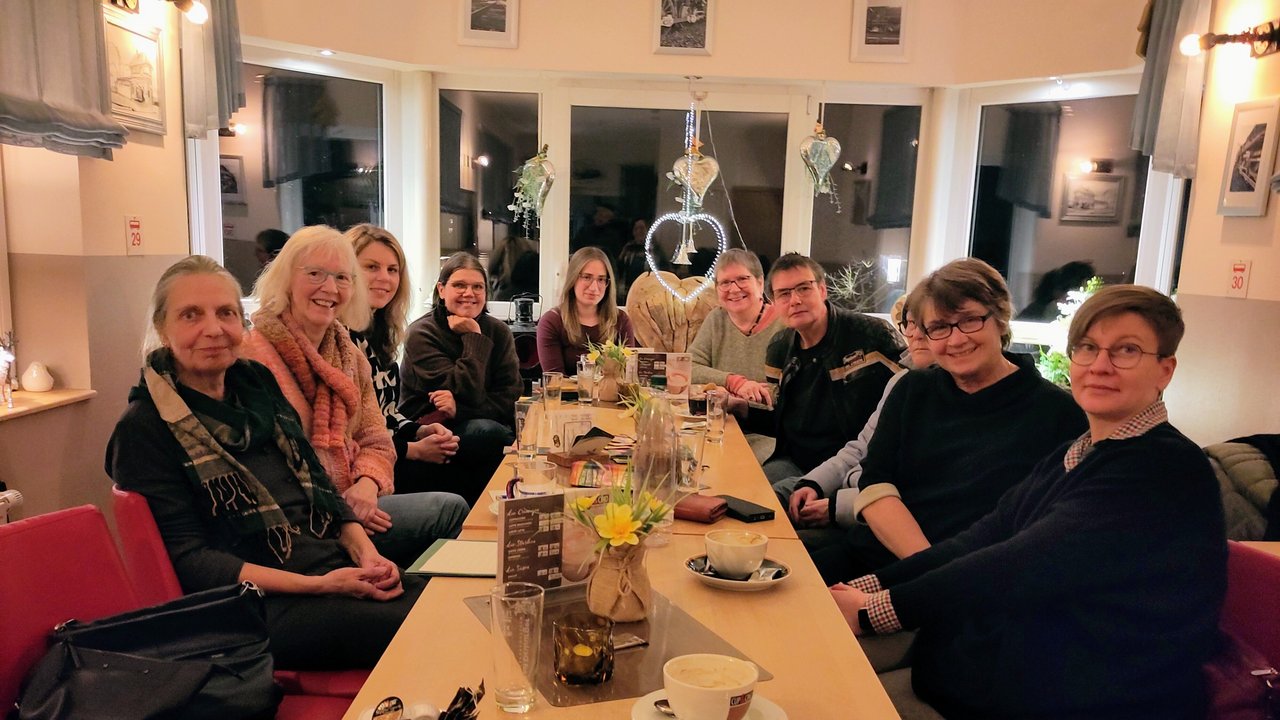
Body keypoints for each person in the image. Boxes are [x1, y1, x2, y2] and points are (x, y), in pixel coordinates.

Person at [831, 285, 1226, 720]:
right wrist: (864, 590)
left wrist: (873, 613)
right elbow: (982, 537)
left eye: (1126, 350)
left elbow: (1019, 562)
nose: (1100, 366)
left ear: (1165, 370)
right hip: (1022, 665)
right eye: (1088, 348)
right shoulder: (1079, 452)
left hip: (1095, 695)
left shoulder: (1162, 466)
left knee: (835, 700)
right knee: (825, 662)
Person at [106, 255, 423, 670]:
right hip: (248, 609)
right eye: (191, 315)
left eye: (225, 313)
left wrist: (365, 553)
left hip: (325, 566)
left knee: (456, 600)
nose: (213, 329)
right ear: (163, 329)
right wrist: (320, 585)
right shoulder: (144, 426)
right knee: (437, 625)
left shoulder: (255, 383)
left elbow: (318, 481)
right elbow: (192, 562)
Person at [810, 258, 1087, 585]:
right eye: (940, 327)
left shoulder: (1059, 414)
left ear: (1000, 319)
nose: (955, 340)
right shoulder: (912, 389)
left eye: (970, 320)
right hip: (878, 557)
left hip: (972, 582)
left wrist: (937, 580)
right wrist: (928, 567)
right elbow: (875, 486)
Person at [242, 226, 467, 566]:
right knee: (450, 507)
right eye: (315, 274)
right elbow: (271, 473)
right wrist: (346, 514)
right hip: (303, 522)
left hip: (355, 497)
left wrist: (367, 486)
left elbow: (376, 438)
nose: (330, 288)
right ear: (285, 278)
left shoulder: (349, 354)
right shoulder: (253, 358)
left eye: (341, 278)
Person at [780, 290, 935, 548]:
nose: (915, 334)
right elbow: (860, 447)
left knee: (781, 546)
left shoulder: (937, 395)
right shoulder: (902, 381)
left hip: (869, 519)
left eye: (928, 325)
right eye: (909, 323)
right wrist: (814, 484)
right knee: (767, 502)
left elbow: (913, 490)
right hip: (845, 491)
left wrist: (835, 508)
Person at [348, 224, 486, 500]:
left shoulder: (380, 334)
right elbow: (352, 434)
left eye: (392, 270)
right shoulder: (344, 339)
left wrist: (419, 430)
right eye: (372, 267)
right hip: (368, 468)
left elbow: (387, 414)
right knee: (472, 465)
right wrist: (413, 449)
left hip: (395, 445)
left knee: (484, 451)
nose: (384, 278)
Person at [760, 253, 904, 486]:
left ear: (822, 290)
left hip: (852, 464)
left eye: (803, 288)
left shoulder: (872, 335)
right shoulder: (778, 348)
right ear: (774, 302)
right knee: (747, 489)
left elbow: (908, 400)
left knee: (774, 497)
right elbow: (780, 418)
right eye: (784, 294)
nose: (794, 300)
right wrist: (740, 410)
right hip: (793, 461)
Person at [400, 252, 522, 502]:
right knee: (490, 433)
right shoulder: (421, 333)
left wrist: (460, 409)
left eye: (478, 287)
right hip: (427, 428)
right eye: (459, 285)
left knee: (492, 434)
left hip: (479, 424)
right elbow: (466, 391)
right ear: (441, 290)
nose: (469, 293)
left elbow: (511, 397)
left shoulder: (499, 331)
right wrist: (474, 337)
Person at [689, 248, 783, 405]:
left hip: (766, 419)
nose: (733, 289)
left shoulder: (784, 325)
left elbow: (788, 391)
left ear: (760, 283)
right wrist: (733, 382)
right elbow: (689, 368)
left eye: (742, 279)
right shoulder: (716, 319)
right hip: (721, 416)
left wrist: (738, 400)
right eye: (725, 282)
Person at [536, 246, 636, 375]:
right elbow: (554, 380)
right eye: (587, 277)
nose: (594, 287)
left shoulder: (620, 320)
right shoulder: (551, 321)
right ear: (573, 279)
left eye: (601, 279)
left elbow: (628, 375)